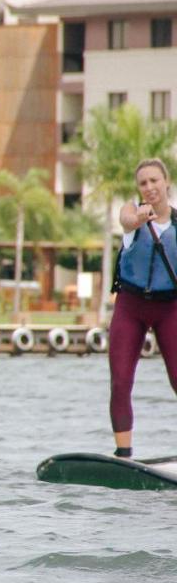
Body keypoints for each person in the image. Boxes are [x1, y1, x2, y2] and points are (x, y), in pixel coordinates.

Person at [109, 158, 177, 459]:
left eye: (154, 181)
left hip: (169, 308)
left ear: (167, 183)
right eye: (143, 183)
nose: (149, 188)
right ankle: (123, 454)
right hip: (130, 306)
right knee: (121, 381)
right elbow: (126, 220)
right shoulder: (130, 212)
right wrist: (138, 219)